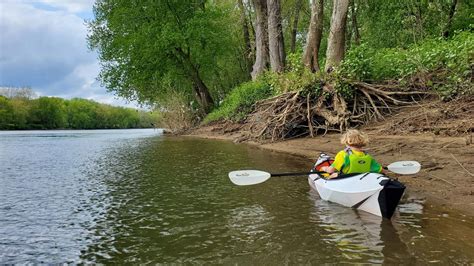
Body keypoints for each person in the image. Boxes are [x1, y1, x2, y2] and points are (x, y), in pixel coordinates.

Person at [320, 129, 384, 178]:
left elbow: (331, 170)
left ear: (347, 142)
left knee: (333, 175)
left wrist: (324, 168)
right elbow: (380, 170)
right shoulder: (368, 157)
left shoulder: (343, 154)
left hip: (346, 179)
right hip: (361, 179)